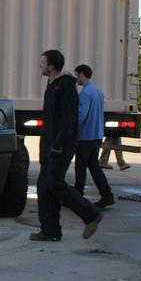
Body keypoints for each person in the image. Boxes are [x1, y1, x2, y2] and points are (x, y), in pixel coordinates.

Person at [30, 49, 103, 242]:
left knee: (54, 183)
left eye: (43, 62)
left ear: (52, 66)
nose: (40, 65)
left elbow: (69, 121)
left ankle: (91, 214)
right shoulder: (52, 85)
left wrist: (58, 145)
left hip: (60, 145)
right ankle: (50, 230)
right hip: (49, 144)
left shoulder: (66, 87)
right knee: (44, 187)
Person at [73, 64, 115, 209]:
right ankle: (107, 195)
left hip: (86, 136)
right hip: (96, 135)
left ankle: (77, 196)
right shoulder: (98, 91)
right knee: (94, 167)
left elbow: (81, 115)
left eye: (77, 75)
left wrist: (70, 128)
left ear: (82, 74)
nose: (76, 79)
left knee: (80, 167)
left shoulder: (85, 93)